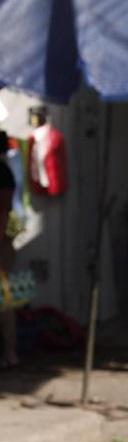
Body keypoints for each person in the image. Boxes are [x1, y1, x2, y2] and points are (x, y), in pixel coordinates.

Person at [0, 130, 17, 368]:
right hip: (4, 241)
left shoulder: (2, 173)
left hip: (2, 243)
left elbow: (3, 211)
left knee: (4, 301)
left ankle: (10, 353)